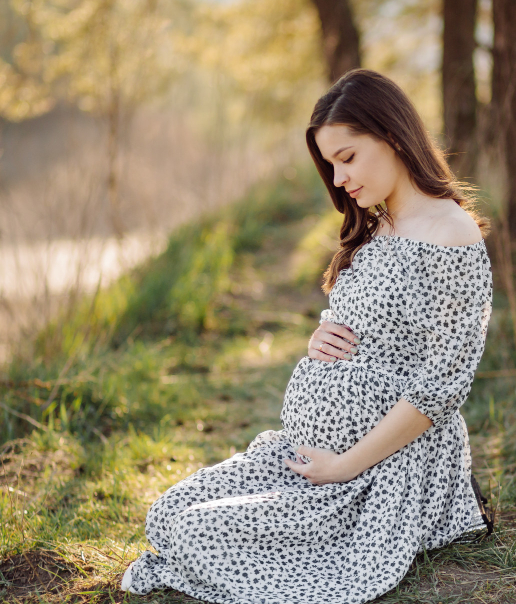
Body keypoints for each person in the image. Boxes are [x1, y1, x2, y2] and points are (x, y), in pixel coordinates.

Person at [120, 68, 494, 603]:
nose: (339, 180)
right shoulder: (381, 224)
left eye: (347, 158)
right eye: (330, 165)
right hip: (308, 454)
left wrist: (343, 466)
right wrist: (323, 340)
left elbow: (443, 385)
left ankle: (201, 569)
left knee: (191, 531)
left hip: (373, 472)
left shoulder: (450, 235)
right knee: (165, 514)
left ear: (392, 136)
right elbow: (378, 323)